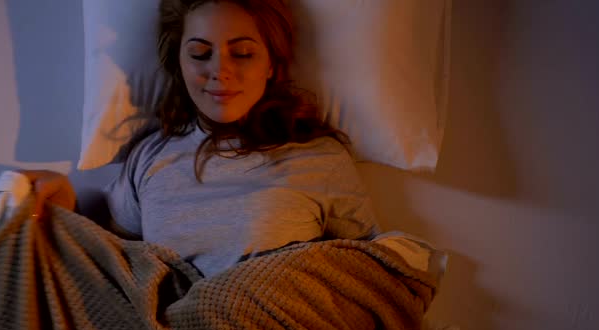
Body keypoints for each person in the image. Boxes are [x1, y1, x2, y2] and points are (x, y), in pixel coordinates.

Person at [24, 0, 378, 277]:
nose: (219, 70)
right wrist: (65, 202)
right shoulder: (150, 156)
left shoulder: (320, 159)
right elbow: (109, 259)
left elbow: (368, 273)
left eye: (242, 53)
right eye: (199, 53)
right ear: (180, 62)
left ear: (271, 63)